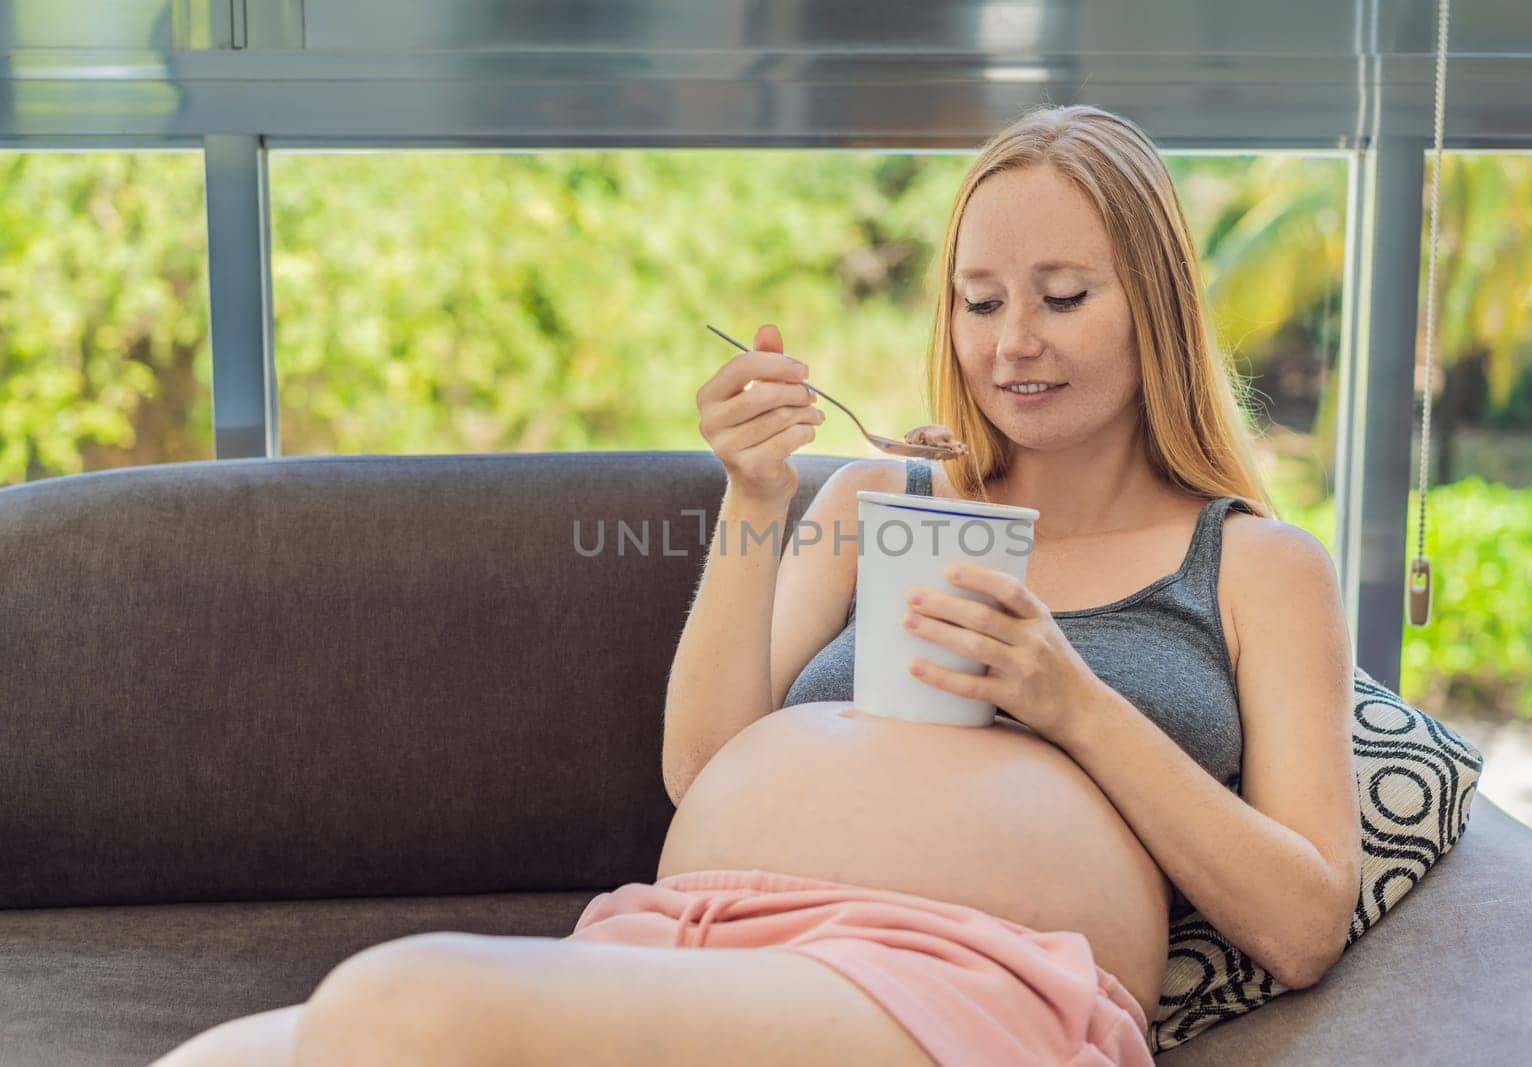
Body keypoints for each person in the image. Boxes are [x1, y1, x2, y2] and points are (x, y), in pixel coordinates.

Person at [155, 103, 1359, 1067]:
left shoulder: (1256, 566)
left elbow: (1303, 924)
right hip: (692, 931)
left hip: (962, 981)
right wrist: (755, 500)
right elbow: (700, 764)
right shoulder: (876, 503)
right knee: (222, 1055)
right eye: (980, 301)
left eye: (1062, 298)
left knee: (395, 1003)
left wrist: (1073, 701)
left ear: (1154, 307)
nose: (1010, 345)